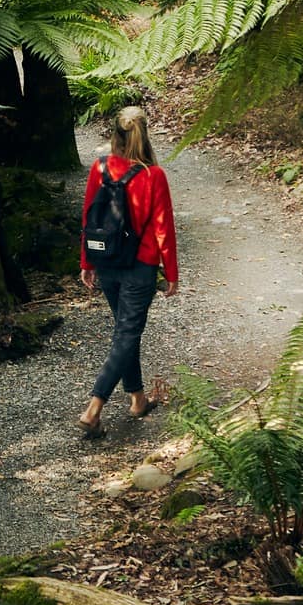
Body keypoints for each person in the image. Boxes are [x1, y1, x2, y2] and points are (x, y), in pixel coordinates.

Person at [76, 106, 180, 437]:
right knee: (127, 333)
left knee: (125, 331)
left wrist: (87, 262)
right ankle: (94, 406)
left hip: (107, 261)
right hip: (141, 265)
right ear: (144, 134)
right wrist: (172, 272)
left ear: (114, 136)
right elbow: (164, 227)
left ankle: (137, 399)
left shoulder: (100, 167)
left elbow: (88, 218)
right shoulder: (154, 175)